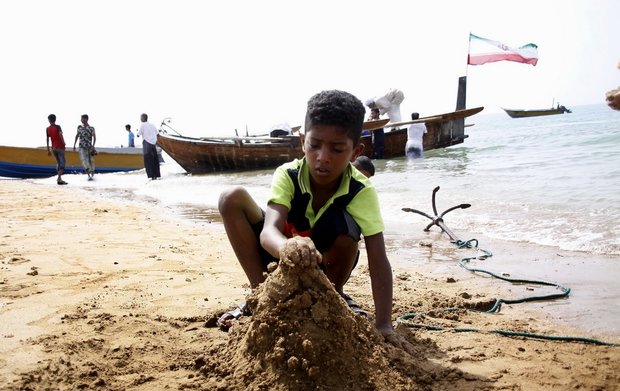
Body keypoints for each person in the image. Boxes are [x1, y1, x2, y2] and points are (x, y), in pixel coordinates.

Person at [218, 90, 412, 351]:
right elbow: (268, 233)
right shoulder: (288, 175)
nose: (323, 157)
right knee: (231, 197)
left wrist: (384, 324)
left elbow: (378, 258)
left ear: (356, 151)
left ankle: (333, 296)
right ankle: (262, 297)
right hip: (279, 260)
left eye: (337, 149)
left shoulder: (360, 189)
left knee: (347, 229)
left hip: (325, 266)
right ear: (302, 141)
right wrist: (287, 246)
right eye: (315, 145)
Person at [137, 113, 161, 179]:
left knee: (148, 161)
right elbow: (158, 134)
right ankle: (157, 175)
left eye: (140, 117)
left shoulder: (142, 125)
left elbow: (138, 134)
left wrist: (138, 133)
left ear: (143, 118)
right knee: (155, 160)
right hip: (153, 144)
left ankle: (151, 176)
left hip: (147, 144)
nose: (140, 119)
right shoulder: (152, 125)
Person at [46, 114, 68, 185]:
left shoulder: (48, 129)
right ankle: (59, 178)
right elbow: (60, 135)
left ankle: (59, 178)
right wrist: (64, 142)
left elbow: (47, 139)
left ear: (49, 120)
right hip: (60, 147)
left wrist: (48, 149)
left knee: (58, 162)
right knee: (63, 162)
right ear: (55, 119)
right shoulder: (58, 127)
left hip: (53, 148)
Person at [73, 114, 96, 181]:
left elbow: (94, 137)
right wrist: (74, 145)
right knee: (84, 161)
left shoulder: (91, 128)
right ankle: (89, 175)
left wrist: (93, 146)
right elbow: (77, 136)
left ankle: (92, 175)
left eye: (82, 118)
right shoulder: (79, 127)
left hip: (89, 147)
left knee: (91, 161)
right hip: (81, 147)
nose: (81, 120)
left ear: (86, 119)